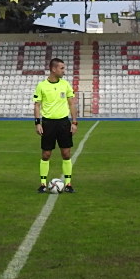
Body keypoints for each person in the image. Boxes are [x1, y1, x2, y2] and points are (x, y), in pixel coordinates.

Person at [32, 57, 78, 193]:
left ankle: (68, 184)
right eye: (62, 68)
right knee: (46, 154)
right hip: (48, 123)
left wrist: (74, 122)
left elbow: (71, 104)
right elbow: (37, 105)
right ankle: (42, 184)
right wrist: (37, 123)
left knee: (66, 153)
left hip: (64, 123)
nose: (64, 71)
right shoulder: (41, 86)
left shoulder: (65, 84)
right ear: (53, 69)